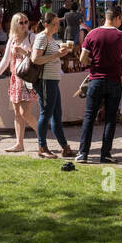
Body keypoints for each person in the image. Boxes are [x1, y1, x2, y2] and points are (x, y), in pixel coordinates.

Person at [75, 4, 122, 164]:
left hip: (96, 80)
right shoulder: (121, 36)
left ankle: (83, 153)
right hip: (114, 80)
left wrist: (94, 61)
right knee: (111, 118)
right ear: (118, 18)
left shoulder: (92, 34)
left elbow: (82, 59)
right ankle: (105, 153)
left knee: (89, 116)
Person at [0, 13, 43, 152]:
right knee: (17, 114)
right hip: (15, 78)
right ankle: (19, 143)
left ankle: (41, 138)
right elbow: (5, 60)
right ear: (15, 24)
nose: (25, 24)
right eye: (21, 22)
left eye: (26, 21)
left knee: (25, 112)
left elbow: (38, 58)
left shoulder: (32, 37)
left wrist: (24, 52)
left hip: (28, 79)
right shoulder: (12, 40)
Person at [31, 11, 75, 158]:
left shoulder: (51, 38)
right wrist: (57, 55)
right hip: (45, 80)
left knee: (56, 115)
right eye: (54, 24)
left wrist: (60, 54)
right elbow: (35, 59)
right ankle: (42, 147)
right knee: (46, 113)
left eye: (58, 24)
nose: (57, 26)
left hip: (53, 80)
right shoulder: (42, 37)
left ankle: (64, 146)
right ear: (46, 24)